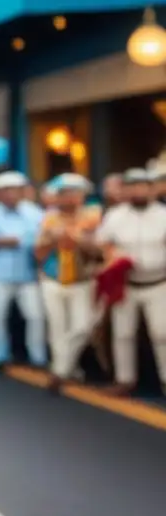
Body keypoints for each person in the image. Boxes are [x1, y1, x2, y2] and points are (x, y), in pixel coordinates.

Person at [97, 168, 166, 395]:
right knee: (123, 333)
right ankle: (125, 380)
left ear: (151, 189)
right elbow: (101, 242)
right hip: (125, 283)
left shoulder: (163, 214)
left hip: (158, 281)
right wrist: (113, 256)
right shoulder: (115, 216)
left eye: (143, 186)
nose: (138, 191)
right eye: (133, 186)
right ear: (126, 190)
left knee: (162, 333)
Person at [35, 174, 102, 389]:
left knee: (82, 327)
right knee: (57, 328)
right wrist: (53, 238)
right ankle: (65, 370)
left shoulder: (93, 217)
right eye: (66, 194)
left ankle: (60, 368)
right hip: (53, 280)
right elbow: (38, 253)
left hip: (82, 281)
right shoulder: (48, 219)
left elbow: (99, 251)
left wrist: (80, 239)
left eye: (76, 193)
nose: (71, 198)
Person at [0, 171, 46, 369]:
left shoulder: (34, 212)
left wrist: (5, 240)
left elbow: (39, 240)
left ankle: (38, 357)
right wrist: (14, 240)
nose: (10, 195)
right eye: (6, 191)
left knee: (35, 316)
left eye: (14, 190)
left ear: (22, 191)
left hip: (27, 273)